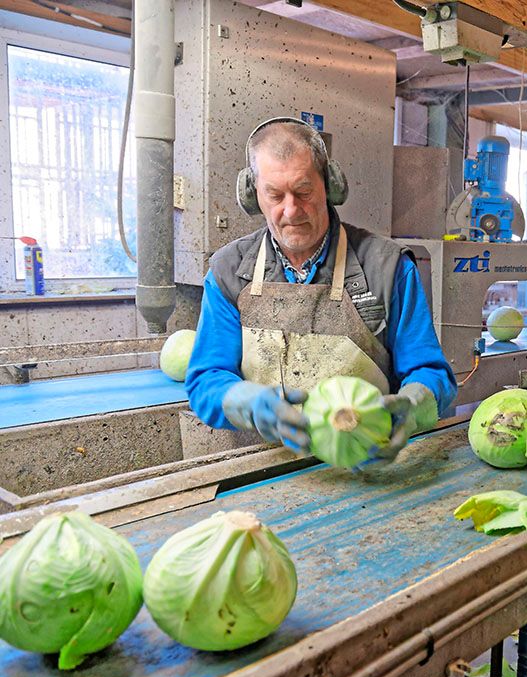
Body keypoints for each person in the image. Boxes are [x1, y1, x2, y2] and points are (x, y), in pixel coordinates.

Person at [186, 117, 456, 464]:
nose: (291, 210)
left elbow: (433, 373)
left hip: (366, 467)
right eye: (274, 195)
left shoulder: (386, 268)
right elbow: (206, 379)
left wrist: (414, 403)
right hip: (263, 470)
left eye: (303, 192)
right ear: (253, 195)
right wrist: (249, 403)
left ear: (329, 185)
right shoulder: (228, 272)